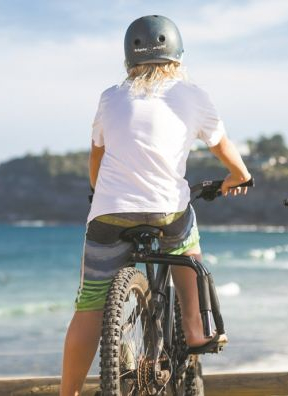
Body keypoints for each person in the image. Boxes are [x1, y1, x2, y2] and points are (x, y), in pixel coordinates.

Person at [59, 15, 252, 396]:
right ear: (177, 58)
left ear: (129, 61)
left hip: (109, 212)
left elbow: (96, 156)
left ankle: (69, 394)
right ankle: (196, 330)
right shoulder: (193, 95)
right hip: (166, 210)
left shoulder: (111, 97)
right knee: (186, 242)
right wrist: (239, 176)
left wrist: (98, 191)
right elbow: (223, 147)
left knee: (90, 307)